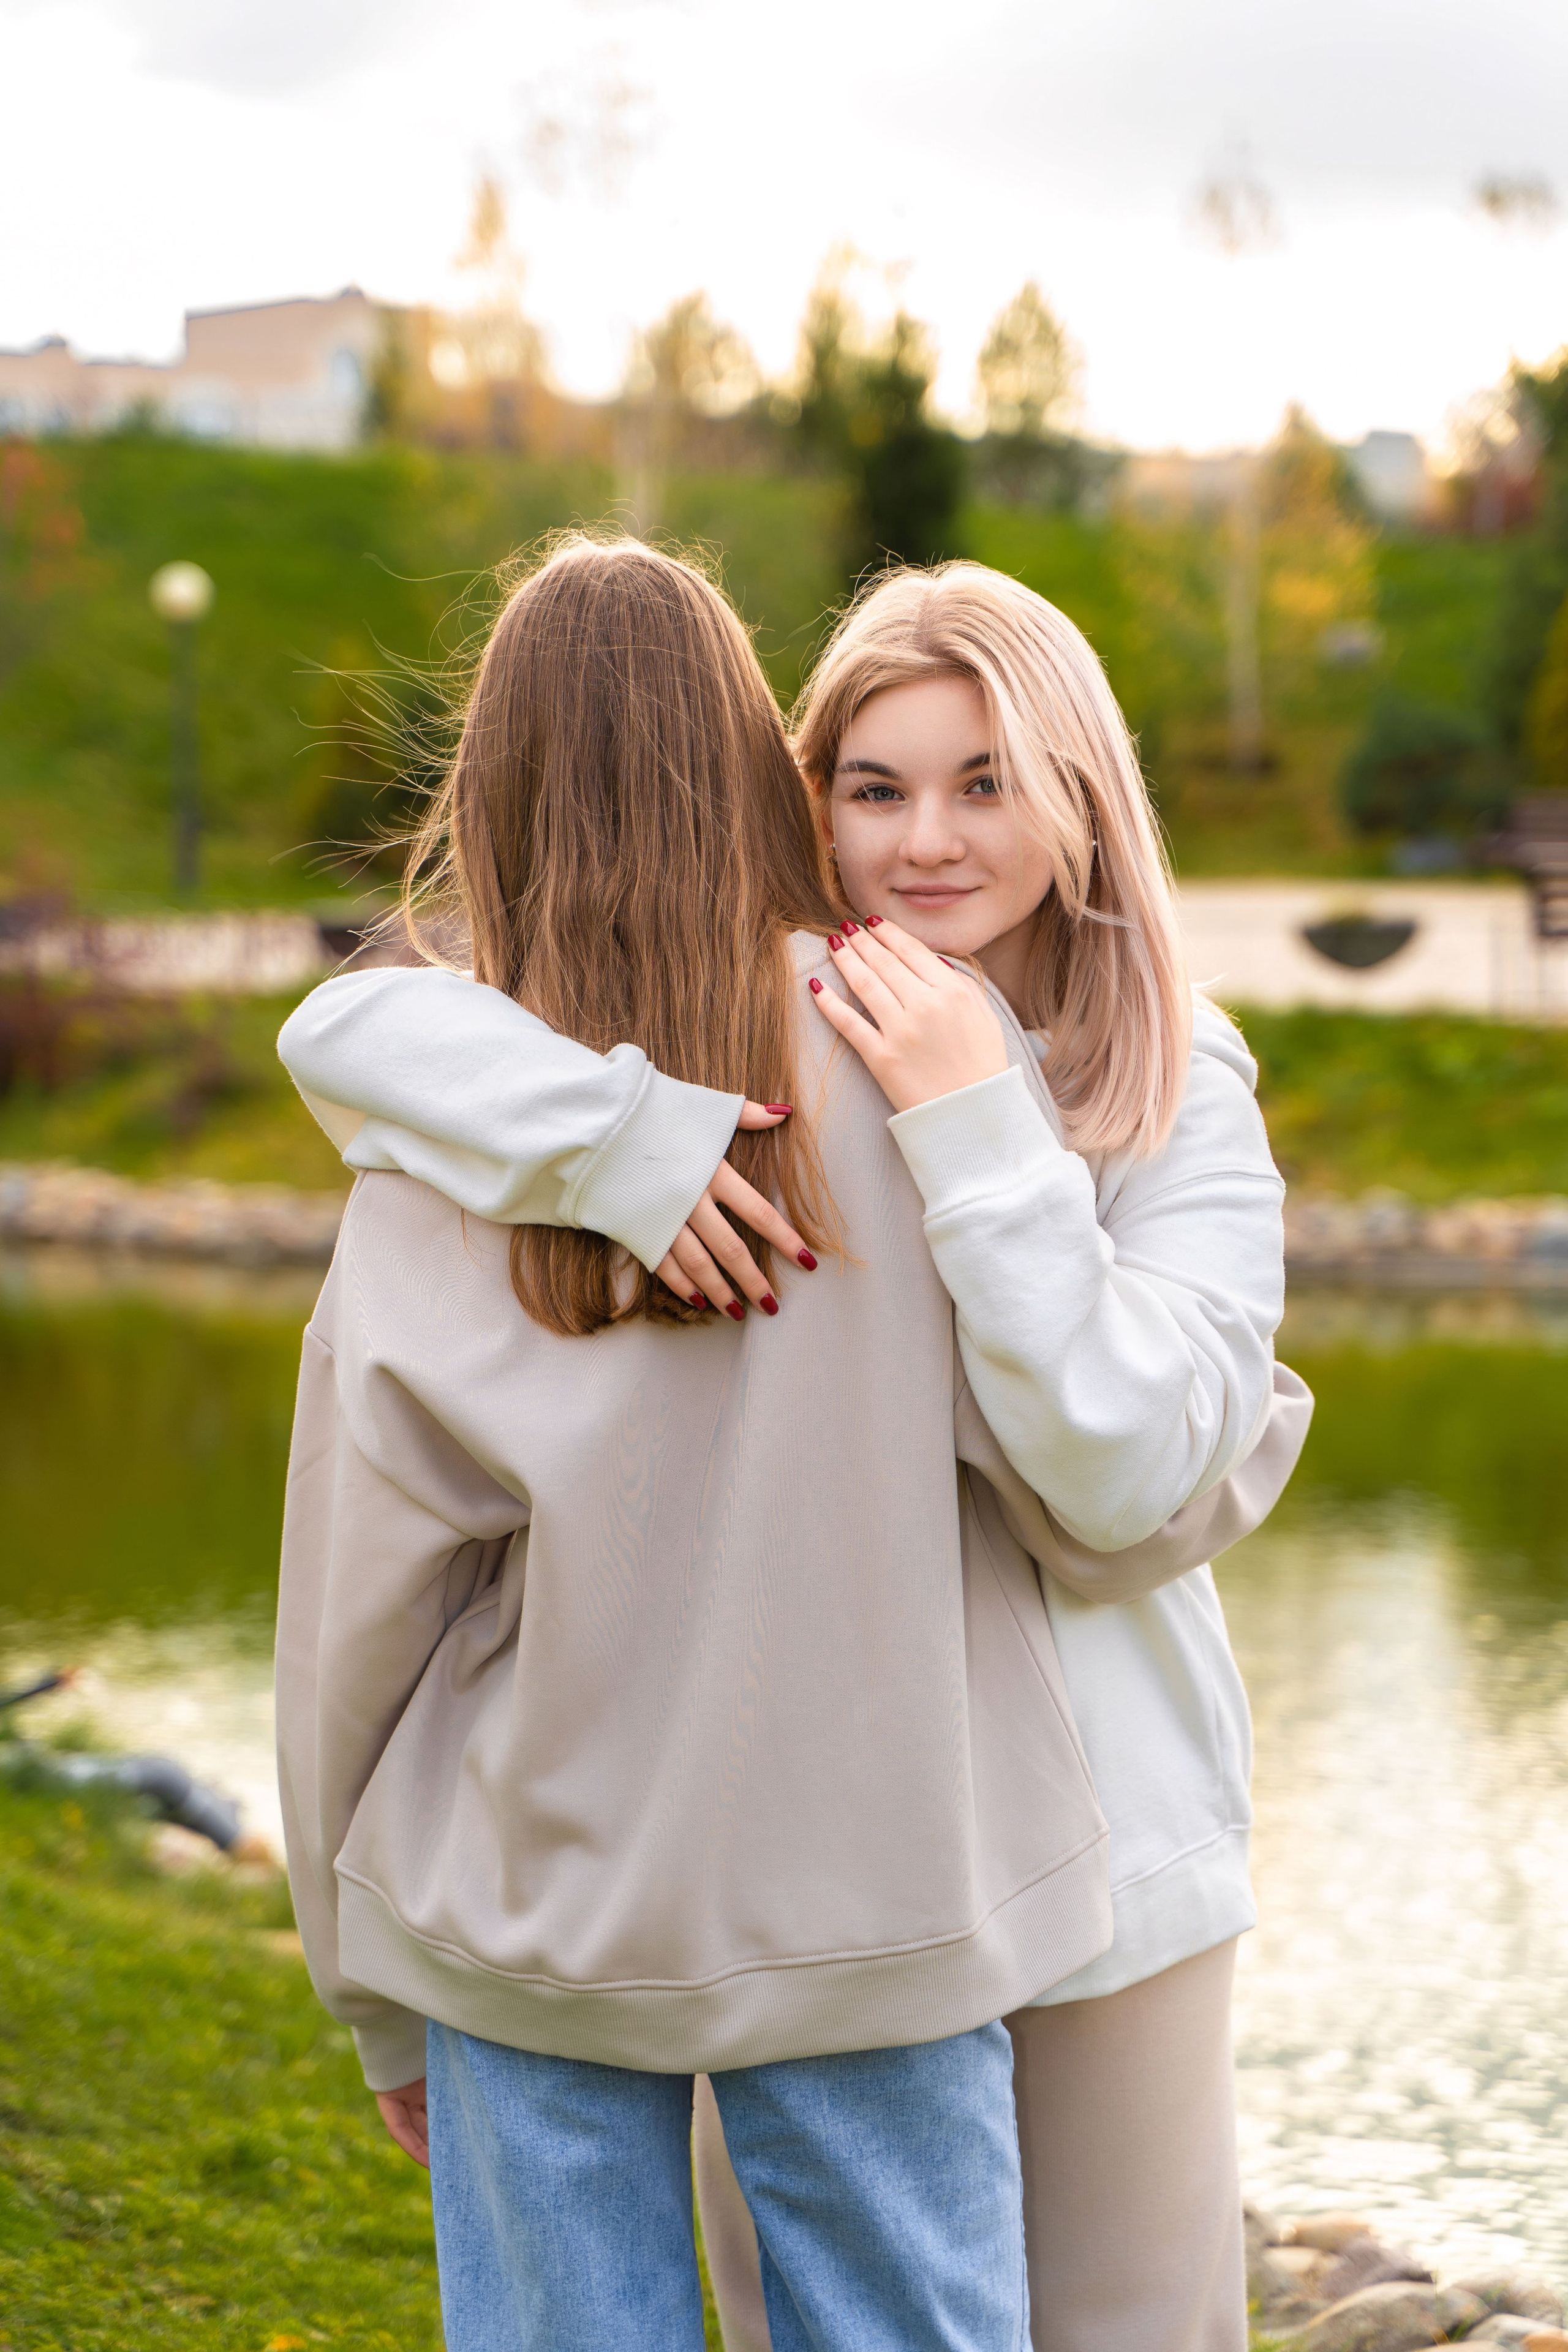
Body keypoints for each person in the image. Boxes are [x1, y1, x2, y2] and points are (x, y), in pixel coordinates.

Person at [279, 550, 1309, 2352]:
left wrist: (368, 1969)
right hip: (852, 1880)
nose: (928, 839)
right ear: (786, 792)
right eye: (874, 785)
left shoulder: (1153, 1082)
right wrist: (616, 1136)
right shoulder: (652, 1088)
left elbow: (1124, 1476)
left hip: (1068, 1858)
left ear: (1081, 796)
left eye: (987, 781)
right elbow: (357, 1024)